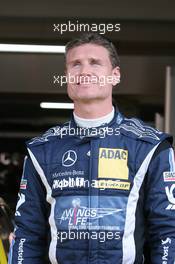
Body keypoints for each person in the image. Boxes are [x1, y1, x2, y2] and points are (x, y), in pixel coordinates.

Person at [9, 33, 175, 264]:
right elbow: (27, 233)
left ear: (115, 76)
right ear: (67, 76)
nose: (84, 72)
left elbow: (167, 232)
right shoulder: (42, 150)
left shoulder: (150, 146)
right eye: (75, 64)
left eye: (95, 63)